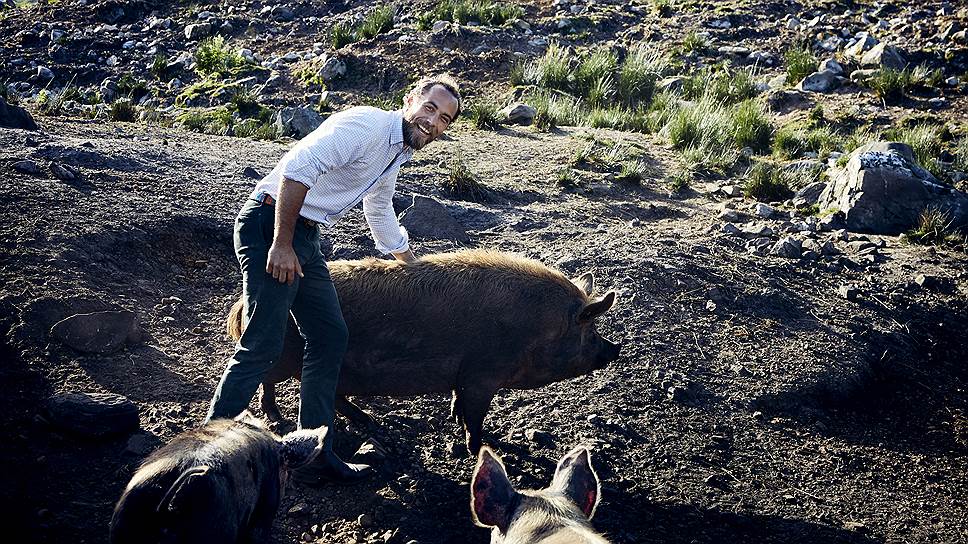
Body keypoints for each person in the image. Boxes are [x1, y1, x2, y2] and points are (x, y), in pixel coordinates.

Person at [205, 74, 461, 485]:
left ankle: (314, 453)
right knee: (263, 343)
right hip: (270, 223)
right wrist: (281, 244)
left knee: (329, 336)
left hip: (306, 236)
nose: (433, 122)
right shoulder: (367, 126)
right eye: (429, 108)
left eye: (444, 119)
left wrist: (413, 266)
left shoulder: (396, 150)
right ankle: (207, 455)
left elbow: (379, 209)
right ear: (410, 100)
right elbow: (297, 169)